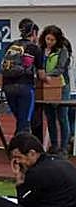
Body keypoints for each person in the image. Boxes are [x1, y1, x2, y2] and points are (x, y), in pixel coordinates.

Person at [1, 18, 40, 137]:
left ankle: (17, 147)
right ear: (34, 33)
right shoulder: (34, 48)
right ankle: (20, 150)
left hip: (8, 87)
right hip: (25, 87)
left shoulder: (11, 45)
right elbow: (41, 73)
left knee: (20, 120)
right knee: (24, 122)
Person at [39, 25, 72, 155]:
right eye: (48, 39)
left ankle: (64, 147)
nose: (49, 42)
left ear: (57, 40)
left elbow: (61, 68)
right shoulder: (41, 49)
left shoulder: (62, 50)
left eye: (52, 40)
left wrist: (47, 75)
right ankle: (54, 145)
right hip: (45, 87)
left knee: (62, 117)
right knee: (50, 118)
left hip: (61, 86)